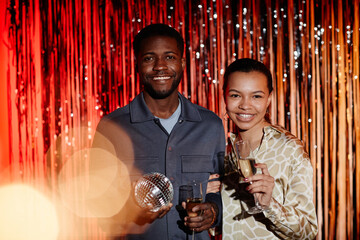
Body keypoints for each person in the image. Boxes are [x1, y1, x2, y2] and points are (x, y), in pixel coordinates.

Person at [91, 23, 225, 240]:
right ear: (137, 65)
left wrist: (215, 211)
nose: (160, 66)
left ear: (182, 63)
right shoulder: (111, 128)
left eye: (170, 57)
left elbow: (225, 190)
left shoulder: (211, 126)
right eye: (149, 58)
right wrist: (132, 212)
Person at [220, 58, 318, 239]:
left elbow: (308, 232)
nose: (245, 105)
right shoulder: (225, 150)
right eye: (235, 95)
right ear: (225, 96)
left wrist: (269, 205)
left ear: (269, 99)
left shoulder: (289, 149)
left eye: (256, 96)